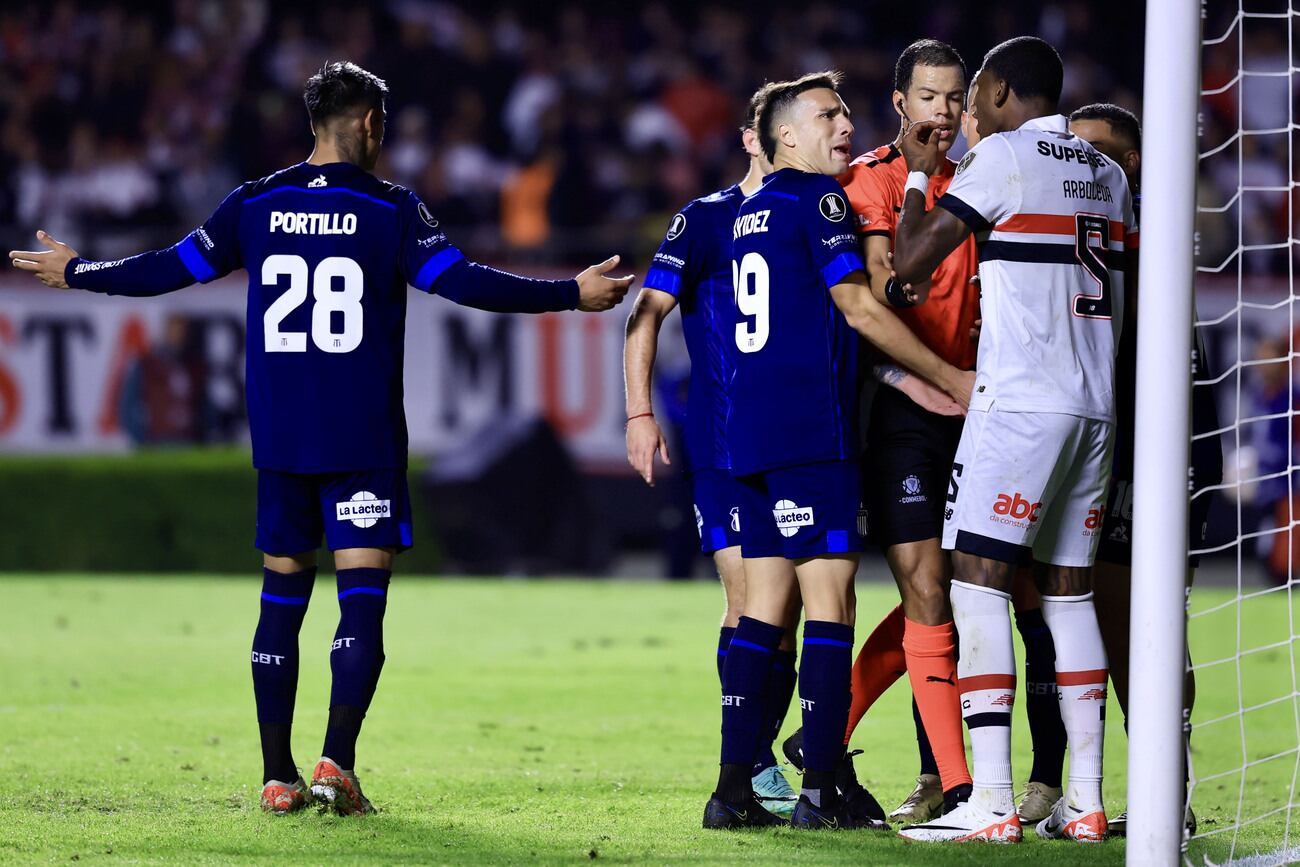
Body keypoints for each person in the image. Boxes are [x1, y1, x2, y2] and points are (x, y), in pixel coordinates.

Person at [9, 61, 632, 816]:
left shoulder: (255, 203)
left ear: (313, 121)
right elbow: (466, 282)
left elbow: (168, 269)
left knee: (282, 599)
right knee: (360, 602)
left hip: (281, 439)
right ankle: (336, 760)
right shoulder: (393, 208)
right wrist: (571, 293)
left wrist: (80, 270)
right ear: (371, 122)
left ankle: (277, 775)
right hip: (360, 438)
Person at [889, 36, 1134, 843]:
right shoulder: (1110, 174)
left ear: (996, 90)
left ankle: (991, 800)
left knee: (978, 582)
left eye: (974, 93)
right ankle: (1089, 800)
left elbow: (909, 267)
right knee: (1069, 592)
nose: (965, 110)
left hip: (1022, 402)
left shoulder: (1002, 157)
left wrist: (924, 174)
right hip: (1095, 407)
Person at [706, 68, 964, 832]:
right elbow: (856, 306)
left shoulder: (748, 210)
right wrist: (949, 374)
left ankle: (732, 787)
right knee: (831, 604)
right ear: (786, 135)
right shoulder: (818, 199)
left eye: (848, 113)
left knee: (761, 612)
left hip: (746, 432)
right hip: (810, 429)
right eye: (827, 116)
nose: (843, 125)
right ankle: (821, 782)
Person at [624, 85, 800, 818]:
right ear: (753, 138)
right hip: (723, 440)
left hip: (793, 439)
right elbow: (646, 315)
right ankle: (751, 765)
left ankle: (756, 757)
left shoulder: (820, 211)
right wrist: (639, 411)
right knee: (750, 598)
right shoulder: (702, 219)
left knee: (785, 608)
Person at [830, 37, 977, 824]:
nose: (943, 113)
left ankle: (831, 736)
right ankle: (953, 784)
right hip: (906, 407)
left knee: (961, 593)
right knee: (926, 585)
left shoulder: (988, 175)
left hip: (985, 411)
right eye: (929, 97)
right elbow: (891, 287)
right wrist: (945, 377)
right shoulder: (870, 182)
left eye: (955, 98)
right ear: (900, 102)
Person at [1069, 101, 1223, 838]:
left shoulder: (1147, 234)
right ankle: (1114, 791)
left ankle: (1172, 790)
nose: (1077, 162)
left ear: (1130, 162)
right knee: (1102, 614)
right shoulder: (1094, 228)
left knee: (1147, 620)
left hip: (1159, 448)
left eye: (1093, 150)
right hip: (1114, 445)